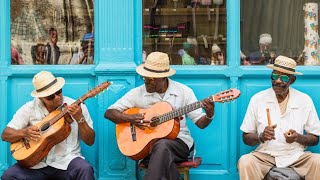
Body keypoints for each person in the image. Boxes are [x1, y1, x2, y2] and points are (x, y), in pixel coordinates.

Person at [104, 52, 215, 180]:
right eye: (145, 77)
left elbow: (200, 123)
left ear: (163, 78)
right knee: (164, 159)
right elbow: (109, 112)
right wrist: (131, 119)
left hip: (180, 144)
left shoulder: (184, 92)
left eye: (150, 79)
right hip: (149, 147)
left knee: (162, 146)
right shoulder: (138, 93)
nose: (146, 82)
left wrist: (209, 115)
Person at [1, 71, 95, 180]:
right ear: (41, 97)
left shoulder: (77, 107)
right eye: (50, 96)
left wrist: (80, 119)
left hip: (67, 162)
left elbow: (90, 141)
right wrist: (24, 132)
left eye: (59, 92)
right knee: (9, 176)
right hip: (36, 164)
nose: (57, 97)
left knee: (85, 169)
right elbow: (5, 135)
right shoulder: (29, 108)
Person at [238, 55, 320, 180]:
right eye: (275, 76)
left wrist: (298, 137)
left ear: (292, 80)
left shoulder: (304, 100)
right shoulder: (258, 99)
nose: (278, 81)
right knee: (245, 161)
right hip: (265, 155)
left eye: (284, 77)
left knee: (318, 161)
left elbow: (315, 138)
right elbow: (246, 138)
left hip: (296, 156)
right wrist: (261, 136)